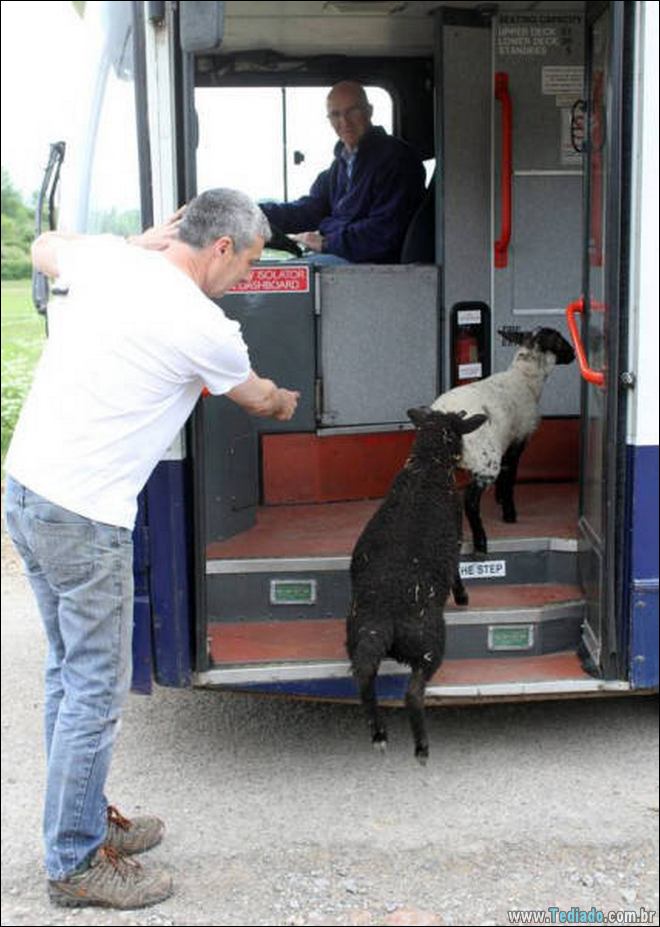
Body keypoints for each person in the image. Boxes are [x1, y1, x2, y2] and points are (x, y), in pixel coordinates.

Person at [4, 188, 299, 910]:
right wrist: (289, 399)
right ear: (221, 247)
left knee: (70, 673)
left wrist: (128, 246)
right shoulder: (205, 326)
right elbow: (255, 397)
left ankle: (81, 816)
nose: (246, 278)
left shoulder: (106, 260)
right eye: (250, 263)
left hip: (27, 490)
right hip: (84, 516)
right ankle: (74, 863)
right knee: (96, 688)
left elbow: (44, 247)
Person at [260, 80, 426, 265]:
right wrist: (256, 213)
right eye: (335, 114)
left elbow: (384, 232)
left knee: (285, 280)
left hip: (375, 266)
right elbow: (308, 210)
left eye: (352, 111)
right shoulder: (338, 167)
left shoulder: (396, 159)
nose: (344, 122)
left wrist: (326, 242)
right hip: (345, 254)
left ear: (369, 111)